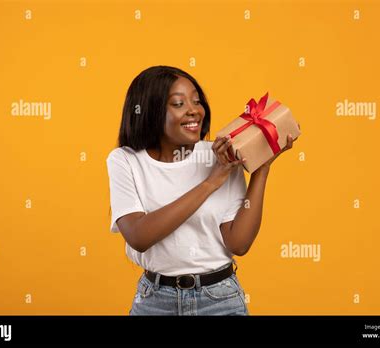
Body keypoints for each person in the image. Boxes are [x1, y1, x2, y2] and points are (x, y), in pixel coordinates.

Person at [106, 65, 296, 315]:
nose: (194, 110)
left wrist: (261, 166)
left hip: (220, 299)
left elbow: (238, 243)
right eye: (178, 103)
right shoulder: (126, 160)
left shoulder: (221, 156)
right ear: (149, 110)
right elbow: (139, 236)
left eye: (197, 101)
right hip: (154, 302)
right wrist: (210, 183)